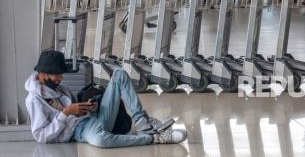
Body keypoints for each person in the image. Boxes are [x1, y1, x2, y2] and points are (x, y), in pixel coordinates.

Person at [25, 50, 187, 147]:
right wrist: (66, 113)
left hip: (93, 118)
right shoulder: (34, 99)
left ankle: (142, 122)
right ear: (43, 74)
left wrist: (90, 107)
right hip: (81, 131)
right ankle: (152, 138)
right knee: (100, 141)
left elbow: (75, 107)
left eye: (61, 75)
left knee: (119, 74)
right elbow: (40, 136)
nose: (60, 78)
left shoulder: (58, 87)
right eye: (57, 75)